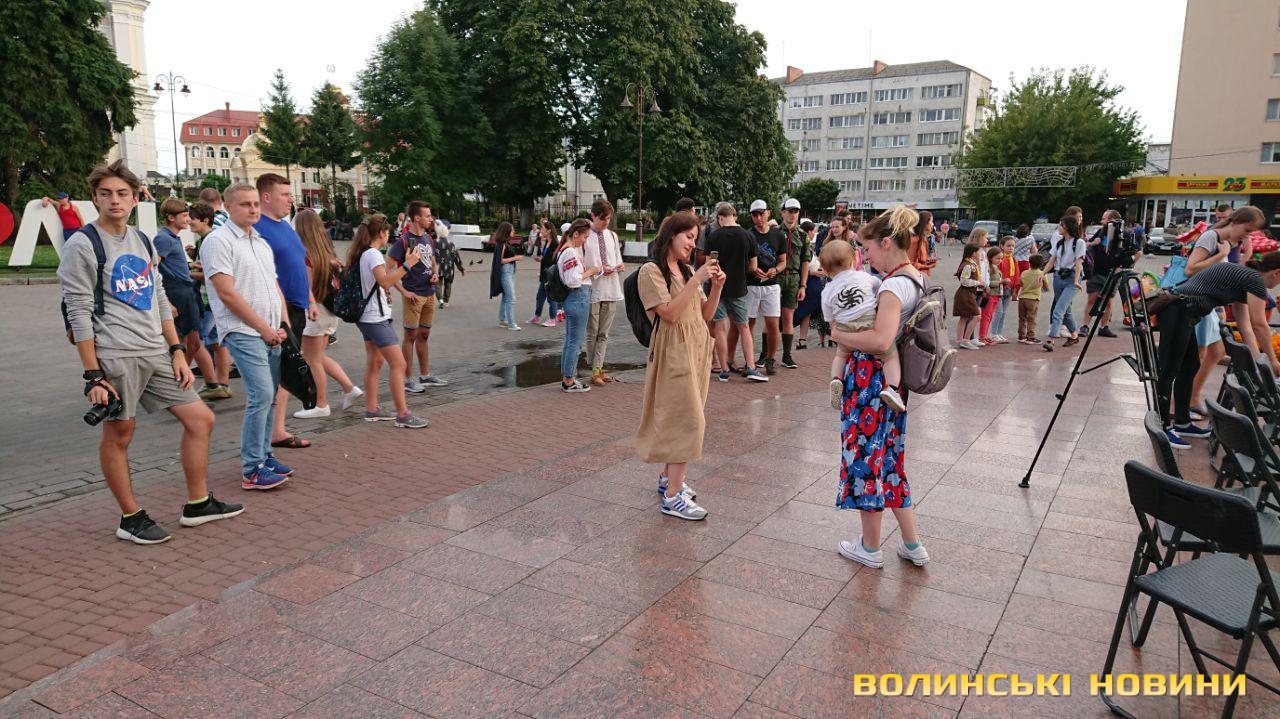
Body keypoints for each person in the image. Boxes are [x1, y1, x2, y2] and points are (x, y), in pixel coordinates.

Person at [60, 160, 238, 544]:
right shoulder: (83, 244)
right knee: (120, 434)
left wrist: (176, 350)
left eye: (122, 193)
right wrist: (93, 375)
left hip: (156, 350)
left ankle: (198, 504)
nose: (114, 200)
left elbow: (158, 297)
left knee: (201, 419)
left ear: (134, 198)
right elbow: (78, 312)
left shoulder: (141, 240)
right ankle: (131, 517)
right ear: (95, 198)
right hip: (116, 354)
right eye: (106, 193)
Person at [831, 205, 929, 569]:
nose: (865, 255)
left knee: (865, 460)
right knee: (889, 460)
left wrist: (839, 334)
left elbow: (879, 339)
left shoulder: (891, 285)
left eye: (868, 247)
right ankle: (912, 544)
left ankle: (870, 548)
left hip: (869, 382)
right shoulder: (915, 277)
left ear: (886, 242)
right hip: (892, 383)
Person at [199, 183, 293, 489]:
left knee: (270, 395)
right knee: (261, 394)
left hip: (271, 330)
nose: (253, 209)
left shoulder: (260, 242)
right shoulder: (218, 241)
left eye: (255, 204)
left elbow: (274, 286)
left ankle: (265, 456)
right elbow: (226, 293)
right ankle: (252, 468)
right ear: (227, 207)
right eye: (245, 204)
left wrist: (283, 324)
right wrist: (263, 328)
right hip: (243, 330)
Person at [636, 212, 725, 521]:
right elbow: (670, 314)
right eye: (688, 236)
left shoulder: (686, 270)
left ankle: (669, 479)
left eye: (695, 238)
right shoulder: (651, 271)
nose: (692, 243)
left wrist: (716, 287)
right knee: (689, 421)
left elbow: (705, 314)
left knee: (686, 415)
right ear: (671, 235)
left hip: (696, 348)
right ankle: (673, 496)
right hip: (674, 350)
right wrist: (698, 279)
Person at [1155, 252, 1280, 449]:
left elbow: (1245, 326)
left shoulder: (1246, 276)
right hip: (1179, 309)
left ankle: (1182, 423)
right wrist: (1272, 361)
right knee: (1169, 370)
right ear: (1276, 272)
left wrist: (1257, 363)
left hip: (1183, 311)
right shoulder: (1254, 280)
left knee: (1190, 367)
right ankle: (1162, 428)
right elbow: (1260, 325)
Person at [347, 214, 429, 428]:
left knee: (375, 362)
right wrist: (408, 265)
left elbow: (380, 282)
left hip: (366, 316)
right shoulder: (373, 254)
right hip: (375, 317)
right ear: (381, 233)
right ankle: (403, 414)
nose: (389, 237)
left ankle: (372, 409)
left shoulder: (363, 252)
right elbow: (385, 282)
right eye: (388, 233)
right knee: (399, 364)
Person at [1185, 206, 1267, 414]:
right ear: (1235, 222)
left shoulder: (1227, 242)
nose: (1247, 237)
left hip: (1207, 306)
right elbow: (1190, 268)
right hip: (1195, 302)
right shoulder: (1212, 237)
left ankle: (1191, 399)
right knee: (1200, 355)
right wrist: (1221, 255)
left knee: (1216, 352)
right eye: (1247, 230)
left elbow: (1247, 324)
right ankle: (1183, 405)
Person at [252, 173, 313, 451]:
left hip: (296, 306)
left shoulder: (285, 226)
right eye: (285, 195)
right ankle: (269, 434)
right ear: (267, 197)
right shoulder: (258, 229)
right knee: (277, 371)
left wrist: (310, 299)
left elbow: (298, 263)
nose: (291, 200)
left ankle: (277, 429)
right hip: (278, 309)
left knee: (287, 369)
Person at [292, 208, 363, 418]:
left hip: (316, 310)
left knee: (311, 359)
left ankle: (321, 404)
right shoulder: (327, 252)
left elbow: (307, 286)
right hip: (330, 311)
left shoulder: (306, 255)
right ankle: (349, 388)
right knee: (318, 356)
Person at [821, 239, 905, 412]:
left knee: (840, 355)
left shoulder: (827, 291)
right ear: (854, 261)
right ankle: (892, 388)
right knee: (890, 357)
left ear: (826, 271)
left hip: (844, 328)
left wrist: (835, 329)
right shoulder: (864, 277)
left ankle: (836, 379)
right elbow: (880, 289)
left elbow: (829, 317)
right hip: (868, 325)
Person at [153, 198, 219, 393]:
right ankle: (177, 383)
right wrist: (165, 301)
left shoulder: (173, 237)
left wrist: (189, 265)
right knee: (184, 343)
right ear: (171, 218)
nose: (188, 220)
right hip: (178, 293)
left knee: (195, 342)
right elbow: (153, 267)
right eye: (184, 216)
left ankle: (212, 384)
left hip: (187, 292)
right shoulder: (164, 238)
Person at [704, 202, 766, 382]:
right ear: (735, 216)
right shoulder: (748, 236)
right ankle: (751, 366)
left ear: (720, 218)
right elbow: (753, 266)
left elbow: (709, 264)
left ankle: (724, 370)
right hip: (739, 287)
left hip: (717, 287)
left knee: (720, 327)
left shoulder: (714, 236)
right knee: (743, 327)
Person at [389, 201, 446, 393]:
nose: (431, 219)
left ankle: (425, 374)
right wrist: (404, 291)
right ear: (416, 218)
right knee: (410, 336)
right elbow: (386, 269)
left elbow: (433, 260)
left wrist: (435, 274)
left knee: (424, 335)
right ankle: (408, 379)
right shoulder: (403, 241)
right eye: (427, 215)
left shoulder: (428, 238)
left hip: (429, 293)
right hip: (413, 295)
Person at [187, 202, 234, 400]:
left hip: (208, 300)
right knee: (216, 342)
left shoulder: (211, 241)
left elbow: (213, 274)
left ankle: (207, 383)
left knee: (196, 340)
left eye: (192, 219)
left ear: (205, 220)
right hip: (212, 299)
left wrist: (187, 273)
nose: (189, 222)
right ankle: (222, 384)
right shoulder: (203, 241)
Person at [583, 199, 625, 386]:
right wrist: (600, 270)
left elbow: (617, 257)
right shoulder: (586, 237)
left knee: (604, 333)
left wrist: (619, 266)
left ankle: (597, 368)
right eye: (602, 219)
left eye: (608, 219)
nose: (606, 222)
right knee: (593, 332)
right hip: (593, 288)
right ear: (593, 215)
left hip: (611, 288)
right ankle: (594, 368)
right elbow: (584, 265)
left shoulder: (612, 236)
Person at [556, 219, 600, 392]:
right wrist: (591, 271)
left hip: (574, 298)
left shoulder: (566, 250)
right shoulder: (570, 252)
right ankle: (569, 380)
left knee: (571, 340)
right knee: (575, 341)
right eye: (585, 237)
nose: (585, 241)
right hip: (577, 297)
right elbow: (573, 280)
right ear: (575, 234)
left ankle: (568, 377)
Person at [745, 200, 787, 374]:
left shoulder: (778, 235)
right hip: (751, 285)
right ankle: (749, 360)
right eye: (754, 214)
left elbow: (783, 261)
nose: (758, 217)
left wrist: (775, 270)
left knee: (772, 324)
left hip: (771, 285)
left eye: (761, 213)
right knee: (748, 323)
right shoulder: (748, 235)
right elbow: (743, 261)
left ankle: (770, 358)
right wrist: (752, 269)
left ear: (768, 213)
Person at [1042, 215, 1087, 352]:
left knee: (1058, 310)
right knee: (1066, 310)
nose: (1059, 227)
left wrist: (1076, 280)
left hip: (1072, 278)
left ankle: (1051, 339)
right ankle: (1074, 335)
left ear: (1068, 227)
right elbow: (1052, 260)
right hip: (1058, 277)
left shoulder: (1079, 243)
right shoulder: (1059, 243)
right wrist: (1042, 273)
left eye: (1061, 225)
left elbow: (1079, 263)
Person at [777, 197, 812, 370]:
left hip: (793, 278)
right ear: (782, 213)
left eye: (795, 211)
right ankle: (765, 354)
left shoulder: (803, 236)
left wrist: (803, 285)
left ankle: (787, 355)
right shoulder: (775, 232)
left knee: (788, 317)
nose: (792, 215)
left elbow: (805, 261)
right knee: (771, 318)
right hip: (776, 277)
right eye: (789, 211)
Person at [791, 218, 826, 353]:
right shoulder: (801, 246)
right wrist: (813, 273)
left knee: (807, 312)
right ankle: (795, 336)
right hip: (807, 284)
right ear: (808, 231)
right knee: (801, 312)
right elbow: (799, 267)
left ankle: (802, 340)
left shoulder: (808, 246)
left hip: (812, 284)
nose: (814, 234)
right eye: (813, 231)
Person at [489, 222, 522, 330]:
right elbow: (500, 260)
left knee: (506, 296)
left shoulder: (505, 242)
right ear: (506, 231)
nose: (514, 231)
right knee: (511, 298)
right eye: (512, 230)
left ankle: (502, 320)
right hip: (506, 271)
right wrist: (515, 258)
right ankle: (511, 324)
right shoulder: (502, 244)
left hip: (509, 270)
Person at [953, 244, 984, 349]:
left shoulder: (970, 264)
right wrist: (978, 283)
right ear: (974, 253)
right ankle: (966, 340)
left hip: (967, 293)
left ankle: (959, 339)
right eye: (978, 252)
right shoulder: (968, 265)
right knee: (977, 317)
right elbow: (964, 281)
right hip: (966, 294)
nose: (980, 254)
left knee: (964, 317)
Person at [530, 220, 561, 326]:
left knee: (551, 297)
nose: (540, 231)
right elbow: (545, 257)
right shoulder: (547, 242)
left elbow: (554, 260)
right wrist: (541, 259)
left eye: (543, 229)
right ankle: (537, 316)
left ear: (549, 231)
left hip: (550, 275)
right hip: (545, 274)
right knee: (540, 296)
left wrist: (542, 259)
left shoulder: (555, 244)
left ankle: (552, 319)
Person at [988, 236, 1018, 344]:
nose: (1011, 248)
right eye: (1008, 246)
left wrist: (1016, 289)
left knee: (1003, 313)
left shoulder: (1013, 260)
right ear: (1002, 246)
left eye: (1013, 246)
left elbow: (1016, 275)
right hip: (999, 288)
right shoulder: (1000, 259)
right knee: (999, 312)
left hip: (1009, 289)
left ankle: (999, 333)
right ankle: (993, 333)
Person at [1017, 254, 1049, 344]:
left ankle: (1021, 335)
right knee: (1031, 319)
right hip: (1033, 299)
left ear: (1029, 263)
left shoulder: (1024, 273)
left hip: (1022, 298)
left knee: (1022, 318)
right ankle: (1030, 337)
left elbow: (1021, 283)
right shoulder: (1042, 274)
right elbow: (1046, 287)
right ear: (1041, 264)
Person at [435, 221, 465, 308]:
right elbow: (456, 257)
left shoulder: (434, 243)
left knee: (438, 285)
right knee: (448, 284)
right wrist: (461, 268)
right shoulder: (451, 244)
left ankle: (440, 300)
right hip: (449, 268)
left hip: (438, 268)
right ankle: (446, 301)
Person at [908, 210, 938, 277]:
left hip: (923, 277)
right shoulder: (915, 241)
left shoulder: (923, 240)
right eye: (931, 221)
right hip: (916, 277)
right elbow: (911, 264)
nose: (933, 224)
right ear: (925, 223)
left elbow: (921, 260)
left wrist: (928, 261)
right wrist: (928, 266)